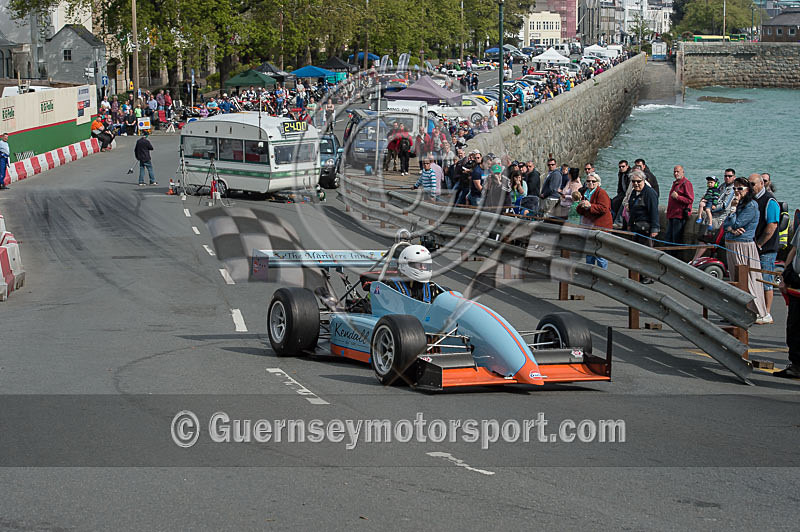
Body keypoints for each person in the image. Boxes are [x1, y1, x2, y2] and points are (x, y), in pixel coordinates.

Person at [723, 177, 769, 322]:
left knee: (747, 280)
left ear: (747, 190)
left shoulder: (751, 206)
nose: (736, 191)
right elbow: (726, 225)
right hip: (732, 243)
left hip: (743, 245)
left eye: (740, 189)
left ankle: (756, 311)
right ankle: (737, 310)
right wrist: (731, 228)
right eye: (735, 188)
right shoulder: (738, 204)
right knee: (735, 279)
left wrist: (732, 219)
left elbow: (737, 223)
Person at [750, 173, 780, 324]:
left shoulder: (770, 201)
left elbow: (772, 226)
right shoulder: (753, 200)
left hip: (767, 248)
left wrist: (760, 243)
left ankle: (767, 312)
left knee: (766, 280)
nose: (751, 187)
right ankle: (758, 310)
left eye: (753, 184)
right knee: (755, 280)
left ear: (762, 184)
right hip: (755, 246)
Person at [627, 169, 660, 283]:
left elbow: (654, 212)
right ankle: (637, 275)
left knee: (647, 254)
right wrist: (630, 225)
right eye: (633, 181)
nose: (636, 184)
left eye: (638, 181)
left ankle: (648, 276)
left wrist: (655, 228)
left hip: (646, 228)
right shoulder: (633, 192)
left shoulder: (650, 193)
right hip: (636, 228)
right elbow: (632, 210)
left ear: (644, 180)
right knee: (636, 253)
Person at [775, 226, 800, 378]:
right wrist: (784, 277)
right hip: (796, 280)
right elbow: (794, 250)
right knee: (794, 326)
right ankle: (796, 365)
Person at [576, 172, 612, 268]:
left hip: (601, 226)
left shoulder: (601, 193)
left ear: (598, 182)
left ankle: (602, 275)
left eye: (593, 181)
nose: (591, 183)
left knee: (600, 254)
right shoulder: (585, 193)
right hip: (589, 227)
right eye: (588, 181)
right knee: (589, 253)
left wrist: (590, 205)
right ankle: (590, 273)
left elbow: (604, 208)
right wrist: (581, 206)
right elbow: (580, 211)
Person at [664, 165, 694, 250]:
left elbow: (690, 200)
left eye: (678, 171)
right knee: (668, 239)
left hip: (679, 215)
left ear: (683, 172)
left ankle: (673, 258)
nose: (676, 173)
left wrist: (678, 197)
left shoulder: (686, 183)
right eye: (674, 172)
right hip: (672, 214)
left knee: (675, 240)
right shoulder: (676, 183)